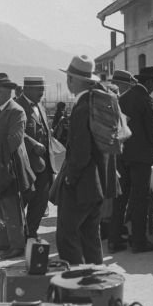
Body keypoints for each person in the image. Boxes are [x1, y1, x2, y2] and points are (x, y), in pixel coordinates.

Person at [54, 55, 119, 265]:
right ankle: (97, 282)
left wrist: (69, 180)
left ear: (72, 80)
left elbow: (80, 153)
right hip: (99, 183)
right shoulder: (99, 102)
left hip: (82, 185)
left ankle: (75, 283)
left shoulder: (82, 107)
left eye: (68, 79)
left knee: (66, 236)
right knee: (90, 236)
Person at [0, 73, 36, 259]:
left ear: (9, 91)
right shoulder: (2, 110)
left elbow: (14, 140)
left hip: (10, 168)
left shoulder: (16, 111)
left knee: (11, 207)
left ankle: (17, 245)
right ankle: (2, 241)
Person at [114, 66, 153, 253]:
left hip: (124, 152)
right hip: (141, 155)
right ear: (149, 82)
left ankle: (115, 238)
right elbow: (151, 128)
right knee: (140, 197)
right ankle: (139, 240)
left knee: (122, 196)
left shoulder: (123, 98)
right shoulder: (146, 99)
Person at [16, 76, 54, 238]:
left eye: (43, 88)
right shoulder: (17, 106)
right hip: (25, 163)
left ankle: (30, 233)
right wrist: (32, 144)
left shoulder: (40, 106)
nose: (42, 92)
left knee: (41, 200)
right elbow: (15, 131)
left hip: (43, 164)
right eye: (39, 89)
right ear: (27, 90)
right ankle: (10, 237)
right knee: (20, 201)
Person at [106, 69, 137, 252]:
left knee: (116, 197)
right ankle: (114, 236)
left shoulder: (112, 100)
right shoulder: (118, 102)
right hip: (119, 156)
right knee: (120, 197)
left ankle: (114, 233)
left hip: (116, 155)